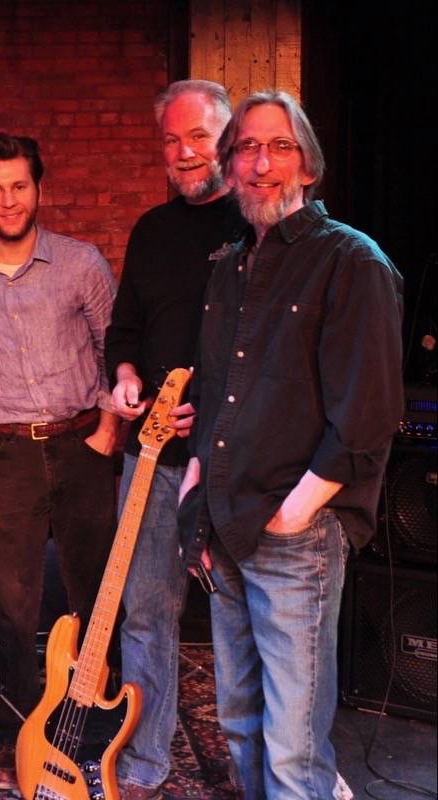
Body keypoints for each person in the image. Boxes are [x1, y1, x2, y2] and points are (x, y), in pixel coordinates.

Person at [179, 91, 403, 798]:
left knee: (293, 750)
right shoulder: (228, 268)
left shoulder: (351, 262)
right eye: (247, 147)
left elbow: (367, 418)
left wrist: (295, 514)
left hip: (293, 537)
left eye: (279, 147)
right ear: (231, 165)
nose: (261, 162)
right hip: (226, 527)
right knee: (241, 724)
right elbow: (216, 397)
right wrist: (195, 496)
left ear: (307, 165)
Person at [0, 130, 121, 789]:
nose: (8, 200)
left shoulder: (80, 262)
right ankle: (22, 728)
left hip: (83, 444)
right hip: (9, 452)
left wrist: (109, 432)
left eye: (19, 186)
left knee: (93, 589)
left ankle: (96, 725)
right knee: (9, 600)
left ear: (40, 188)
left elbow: (118, 348)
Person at [104, 80, 247, 800]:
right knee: (146, 611)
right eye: (172, 139)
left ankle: (259, 766)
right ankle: (144, 761)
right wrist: (126, 380)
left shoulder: (261, 227)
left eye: (200, 136)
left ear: (230, 138)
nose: (185, 152)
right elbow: (123, 331)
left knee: (239, 611)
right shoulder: (151, 232)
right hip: (151, 457)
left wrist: (215, 420)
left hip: (234, 465)